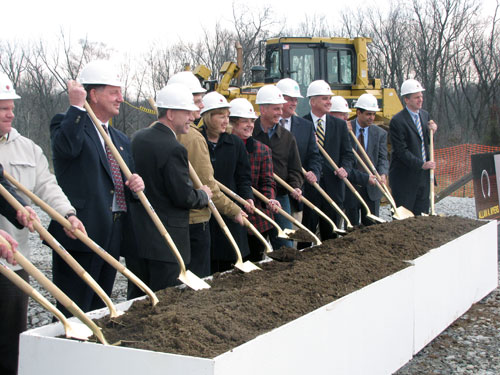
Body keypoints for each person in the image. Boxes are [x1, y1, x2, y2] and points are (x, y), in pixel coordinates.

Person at [0, 73, 84, 375]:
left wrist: (67, 214)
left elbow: (47, 185)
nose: (11, 113)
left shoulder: (26, 149)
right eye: (2, 108)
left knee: (11, 338)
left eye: (11, 107)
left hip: (13, 259)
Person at [49, 60, 144, 315]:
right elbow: (66, 149)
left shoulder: (120, 139)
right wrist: (76, 107)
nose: (120, 99)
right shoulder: (67, 123)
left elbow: (126, 186)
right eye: (114, 92)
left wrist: (136, 185)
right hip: (79, 231)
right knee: (76, 308)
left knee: (100, 307)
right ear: (93, 94)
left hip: (112, 232)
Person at [127, 83, 211, 296]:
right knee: (166, 302)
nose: (192, 117)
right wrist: (203, 195)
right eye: (187, 112)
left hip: (139, 240)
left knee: (138, 301)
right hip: (167, 243)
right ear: (171, 114)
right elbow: (183, 197)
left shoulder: (137, 138)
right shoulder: (174, 148)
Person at [173, 72, 246, 278]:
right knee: (198, 276)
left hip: (171, 221)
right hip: (195, 219)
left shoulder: (150, 133)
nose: (200, 106)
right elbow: (208, 185)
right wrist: (234, 210)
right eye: (197, 101)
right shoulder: (194, 139)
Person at [200, 92, 253, 273]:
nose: (226, 121)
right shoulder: (198, 141)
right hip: (204, 209)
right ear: (208, 117)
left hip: (230, 209)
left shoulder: (235, 144)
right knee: (208, 261)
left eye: (228, 116)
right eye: (221, 116)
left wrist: (248, 197)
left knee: (231, 257)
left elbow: (243, 176)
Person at [301, 80, 354, 246]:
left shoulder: (339, 126)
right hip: (310, 189)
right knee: (306, 237)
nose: (329, 102)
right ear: (313, 101)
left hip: (333, 189)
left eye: (330, 98)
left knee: (330, 238)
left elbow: (348, 154)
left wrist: (345, 168)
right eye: (325, 98)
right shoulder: (303, 125)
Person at [229, 98, 280, 261]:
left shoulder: (262, 150)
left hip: (256, 219)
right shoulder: (223, 148)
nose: (250, 125)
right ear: (232, 123)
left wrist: (270, 199)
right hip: (228, 215)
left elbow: (267, 181)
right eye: (245, 121)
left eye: (252, 121)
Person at [252, 85, 303, 249]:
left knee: (285, 245)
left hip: (280, 197)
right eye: (276, 109)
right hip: (254, 199)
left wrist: (295, 186)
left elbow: (295, 168)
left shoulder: (287, 138)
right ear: (263, 109)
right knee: (256, 246)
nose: (280, 112)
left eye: (281, 108)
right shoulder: (250, 133)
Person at [389, 79, 437, 215]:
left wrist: (433, 131)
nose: (420, 100)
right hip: (404, 179)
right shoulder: (397, 121)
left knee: (422, 215)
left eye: (421, 96)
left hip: (423, 177)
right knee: (404, 218)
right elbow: (401, 151)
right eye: (416, 97)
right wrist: (421, 164)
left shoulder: (424, 115)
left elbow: (425, 141)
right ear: (406, 99)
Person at [276, 78, 321, 219]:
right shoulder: (264, 127)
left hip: (296, 194)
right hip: (270, 194)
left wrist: (314, 172)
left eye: (296, 100)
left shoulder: (306, 127)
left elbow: (314, 156)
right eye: (290, 99)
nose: (294, 103)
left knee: (293, 237)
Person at [343, 94, 388, 226]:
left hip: (372, 189)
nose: (372, 118)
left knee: (372, 228)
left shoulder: (380, 133)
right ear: (358, 112)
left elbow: (382, 158)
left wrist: (383, 174)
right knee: (351, 227)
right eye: (368, 114)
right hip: (352, 186)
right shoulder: (346, 129)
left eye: (373, 114)